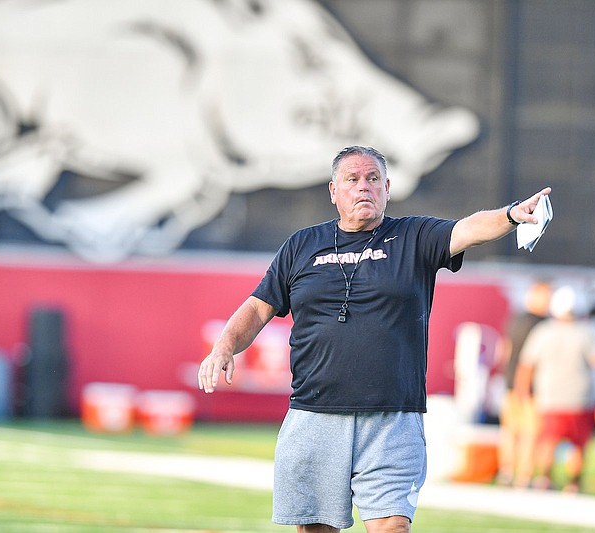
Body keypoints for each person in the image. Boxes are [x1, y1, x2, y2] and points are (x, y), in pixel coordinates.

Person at [198, 145, 551, 533]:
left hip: (393, 418)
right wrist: (225, 345)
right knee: (315, 530)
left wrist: (512, 214)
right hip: (315, 416)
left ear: (387, 188)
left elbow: (469, 229)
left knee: (392, 527)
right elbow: (258, 306)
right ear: (334, 190)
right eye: (352, 179)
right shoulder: (302, 245)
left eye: (372, 180)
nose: (363, 187)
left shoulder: (414, 236)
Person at [515, 285, 595, 493]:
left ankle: (544, 479)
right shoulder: (586, 333)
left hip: (549, 397)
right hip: (579, 397)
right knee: (578, 444)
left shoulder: (543, 332)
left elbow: (527, 364)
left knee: (548, 440)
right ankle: (573, 483)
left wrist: (523, 391)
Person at [495, 280, 552, 488]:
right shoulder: (541, 323)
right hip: (529, 386)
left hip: (512, 383)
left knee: (512, 431)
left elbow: (505, 350)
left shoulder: (516, 319)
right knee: (527, 433)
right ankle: (522, 475)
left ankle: (508, 472)